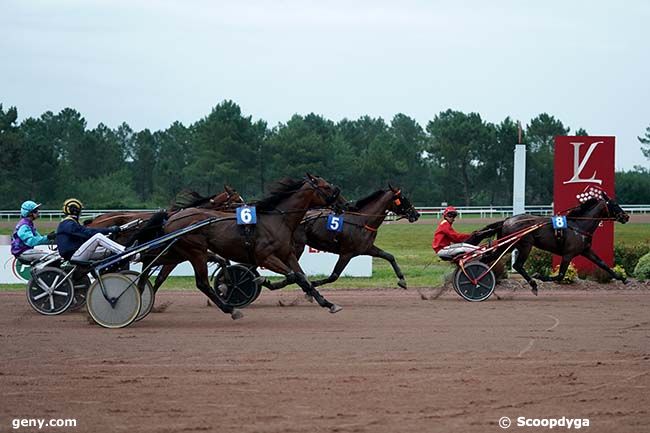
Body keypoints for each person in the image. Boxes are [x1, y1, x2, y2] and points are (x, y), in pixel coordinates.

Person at [56, 198, 128, 262]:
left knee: (108, 251)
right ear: (75, 211)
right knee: (98, 237)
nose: (81, 212)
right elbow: (88, 233)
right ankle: (124, 251)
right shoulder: (68, 223)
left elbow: (85, 234)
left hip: (76, 253)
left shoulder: (69, 223)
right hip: (74, 255)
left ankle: (132, 256)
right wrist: (109, 230)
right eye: (80, 210)